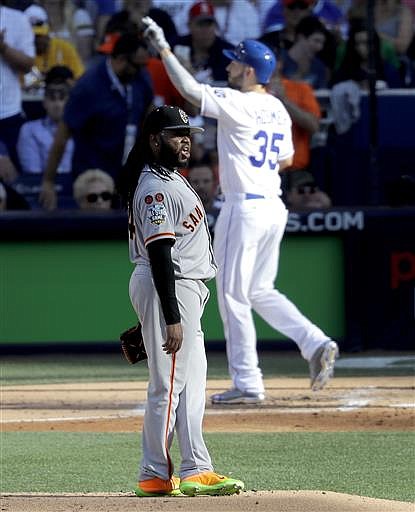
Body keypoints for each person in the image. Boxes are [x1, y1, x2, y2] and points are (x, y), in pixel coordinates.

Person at [142, 18, 339, 404]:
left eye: (235, 63)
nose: (229, 66)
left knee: (233, 294)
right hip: (272, 205)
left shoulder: (239, 102)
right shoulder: (277, 108)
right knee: (260, 289)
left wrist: (164, 48)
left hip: (244, 207)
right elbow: (284, 160)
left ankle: (248, 381)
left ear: (250, 71)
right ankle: (315, 343)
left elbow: (189, 90)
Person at [118, 105, 244, 496]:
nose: (186, 141)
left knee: (191, 384)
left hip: (180, 287)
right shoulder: (155, 186)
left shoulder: (167, 176)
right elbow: (159, 253)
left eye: (188, 134)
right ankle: (154, 472)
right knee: (168, 385)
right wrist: (169, 316)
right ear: (155, 140)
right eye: (176, 135)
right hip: (169, 284)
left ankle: (195, 468)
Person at [39, 31, 154, 210]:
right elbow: (62, 136)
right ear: (121, 59)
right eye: (136, 66)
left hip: (127, 169)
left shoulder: (140, 77)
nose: (141, 70)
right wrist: (48, 181)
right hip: (93, 174)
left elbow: (149, 111)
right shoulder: (88, 87)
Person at [17, 65, 75, 175]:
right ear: (44, 102)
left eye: (62, 98)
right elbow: (33, 175)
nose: (57, 104)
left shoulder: (82, 131)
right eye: (52, 98)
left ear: (70, 101)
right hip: (41, 188)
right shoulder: (29, 131)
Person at [0, 1, 35, 170]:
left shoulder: (18, 19)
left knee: (13, 177)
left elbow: (28, 65)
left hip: (9, 113)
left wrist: (3, 47)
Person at [172, 1, 234, 84]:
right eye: (200, 24)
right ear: (189, 25)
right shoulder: (176, 45)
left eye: (209, 24)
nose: (205, 30)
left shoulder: (226, 52)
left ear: (215, 26)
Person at [24, 4, 85, 84]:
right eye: (33, 36)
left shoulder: (64, 47)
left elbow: (81, 78)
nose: (37, 40)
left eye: (40, 35)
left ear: (48, 31)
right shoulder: (21, 52)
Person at [186, 158, 221, 236]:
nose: (201, 186)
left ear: (214, 183)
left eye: (206, 181)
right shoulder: (180, 212)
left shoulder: (225, 209)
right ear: (187, 184)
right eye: (195, 182)